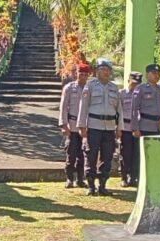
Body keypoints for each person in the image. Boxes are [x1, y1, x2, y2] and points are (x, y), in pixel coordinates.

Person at [77, 58, 123, 196]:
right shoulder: (90, 86)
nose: (106, 72)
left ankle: (102, 185)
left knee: (107, 157)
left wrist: (119, 127)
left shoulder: (114, 88)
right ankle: (91, 186)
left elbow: (119, 110)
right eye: (103, 69)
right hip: (93, 126)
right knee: (90, 155)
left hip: (109, 128)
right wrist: (81, 125)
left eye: (108, 70)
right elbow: (83, 106)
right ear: (97, 71)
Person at [58, 63, 90, 189]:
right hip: (72, 125)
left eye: (85, 75)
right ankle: (69, 178)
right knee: (71, 153)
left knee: (83, 154)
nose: (83, 77)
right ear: (76, 73)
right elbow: (63, 107)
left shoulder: (90, 88)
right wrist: (64, 125)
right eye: (80, 74)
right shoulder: (69, 88)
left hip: (86, 127)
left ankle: (80, 179)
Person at [132, 63, 160, 137]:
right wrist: (135, 128)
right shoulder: (140, 89)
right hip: (146, 126)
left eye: (158, 73)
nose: (157, 75)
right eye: (154, 73)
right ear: (147, 74)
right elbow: (134, 109)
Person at [118, 71, 142, 187]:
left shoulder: (142, 94)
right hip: (125, 127)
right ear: (128, 81)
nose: (135, 86)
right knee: (125, 153)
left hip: (138, 128)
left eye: (138, 84)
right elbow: (118, 112)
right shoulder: (121, 94)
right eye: (133, 83)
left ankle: (134, 177)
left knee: (136, 154)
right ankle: (123, 176)